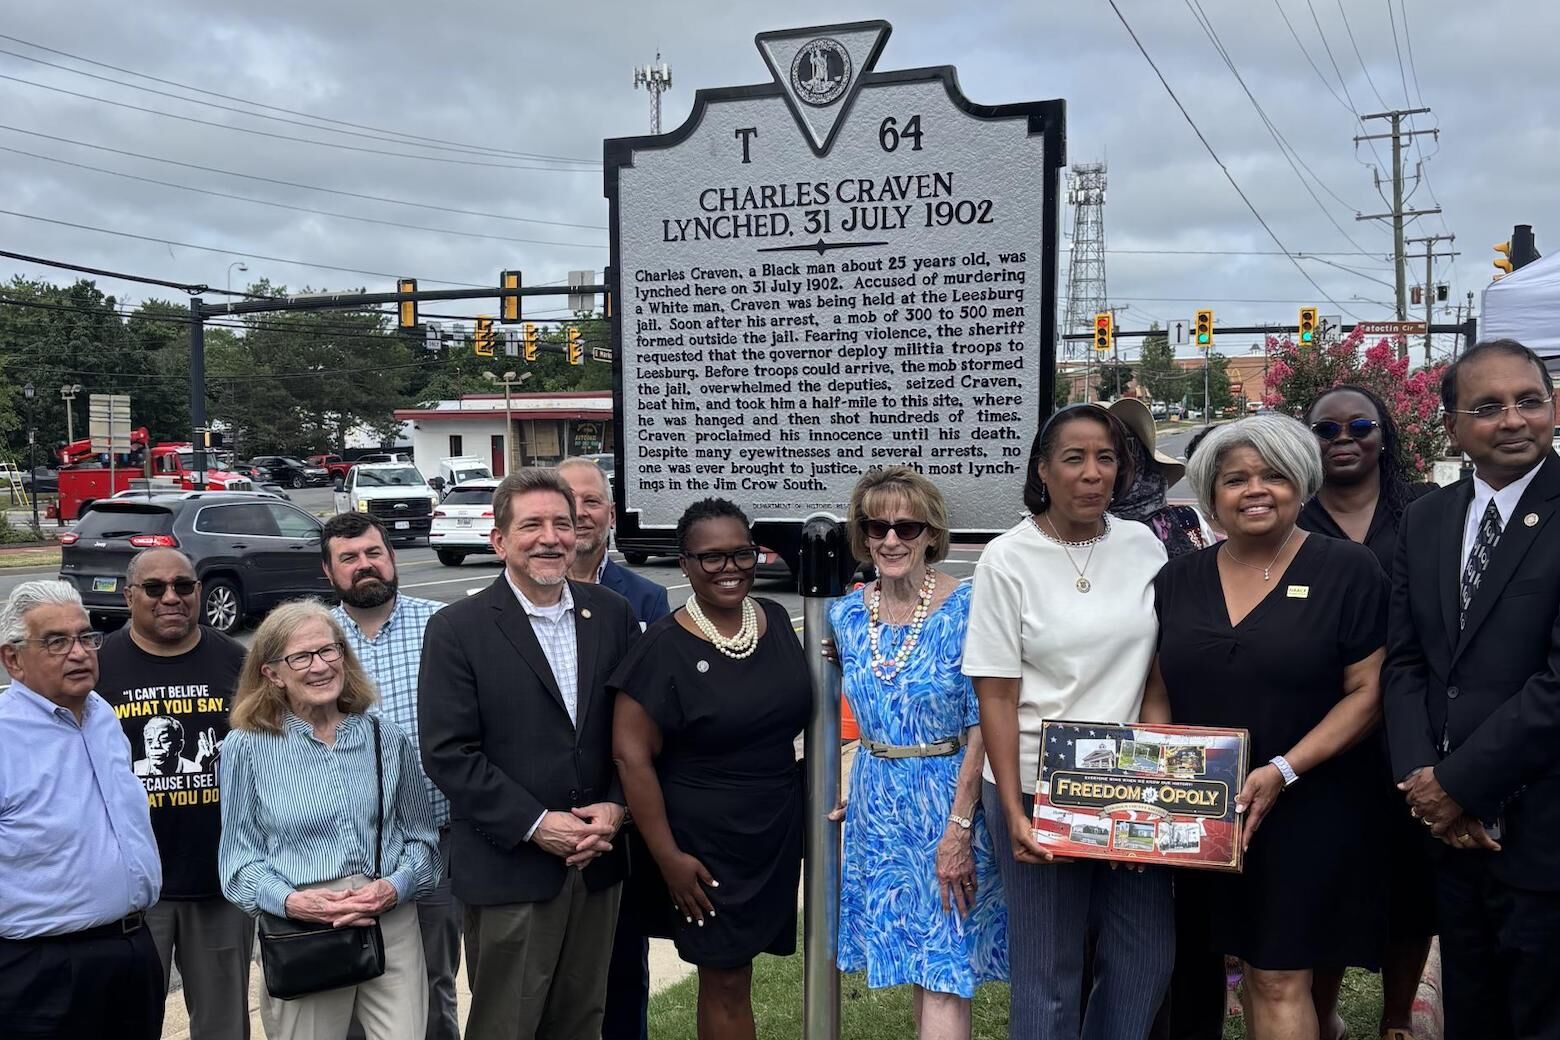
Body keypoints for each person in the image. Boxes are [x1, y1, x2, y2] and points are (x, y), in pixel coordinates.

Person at [1154, 414, 1388, 1040]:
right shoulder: (1177, 578)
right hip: (1196, 806)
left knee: (1278, 976)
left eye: (1274, 476)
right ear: (1211, 494)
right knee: (1198, 972)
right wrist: (1159, 770)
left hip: (1304, 804)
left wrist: (1284, 769)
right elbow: (1156, 686)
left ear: (1302, 485)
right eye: (1235, 479)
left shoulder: (1350, 570)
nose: (1255, 490)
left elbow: (1368, 693)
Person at [963, 403, 1173, 1039]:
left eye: (1105, 458)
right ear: (1044, 471)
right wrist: (1016, 813)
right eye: (1074, 459)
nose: (1092, 473)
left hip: (1130, 784)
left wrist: (1159, 787)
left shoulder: (1143, 546)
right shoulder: (1007, 559)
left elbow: (1154, 674)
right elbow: (996, 695)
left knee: (1144, 953)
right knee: (1047, 967)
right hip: (1036, 783)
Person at [418, 468, 640, 1040]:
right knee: (506, 1026)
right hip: (509, 871)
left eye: (562, 524)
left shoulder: (611, 614)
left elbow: (636, 731)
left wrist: (617, 808)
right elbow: (449, 753)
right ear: (499, 541)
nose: (550, 538)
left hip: (596, 864)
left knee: (582, 1023)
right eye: (532, 525)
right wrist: (537, 825)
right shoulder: (456, 629)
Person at [1384, 339, 1560, 1039]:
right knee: (1470, 1014)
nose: (1513, 420)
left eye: (1529, 401)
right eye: (1487, 407)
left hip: (1542, 833)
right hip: (1450, 839)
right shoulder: (1426, 519)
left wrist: (1460, 784)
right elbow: (1404, 664)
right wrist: (1427, 790)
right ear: (1453, 426)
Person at [611, 498, 809, 1040]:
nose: (731, 568)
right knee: (724, 975)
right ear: (685, 564)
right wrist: (669, 858)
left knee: (740, 970)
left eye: (742, 553)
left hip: (773, 828)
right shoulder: (663, 646)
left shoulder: (774, 620)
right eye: (711, 558)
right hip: (702, 845)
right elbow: (631, 756)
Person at [829, 468, 1006, 1039]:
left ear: (931, 533)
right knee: (917, 964)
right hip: (878, 803)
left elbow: (984, 719)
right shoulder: (849, 615)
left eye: (907, 526)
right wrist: (848, 794)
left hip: (946, 799)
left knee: (946, 969)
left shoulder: (968, 606)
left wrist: (960, 824)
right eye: (876, 526)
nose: (891, 540)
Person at [219, 601, 441, 1040]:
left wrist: (394, 887)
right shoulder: (246, 748)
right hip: (303, 930)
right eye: (300, 657)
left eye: (328, 650)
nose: (319, 666)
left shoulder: (383, 737)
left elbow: (423, 842)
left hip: (388, 919)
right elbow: (238, 863)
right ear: (271, 673)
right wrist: (292, 902)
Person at [1300, 385, 1438, 1040]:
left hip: (1412, 728)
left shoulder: (1427, 513)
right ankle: (1323, 1014)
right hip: (1319, 730)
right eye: (1327, 430)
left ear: (1384, 433)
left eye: (1359, 425)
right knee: (1327, 883)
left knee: (1411, 888)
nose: (1344, 438)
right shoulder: (1291, 520)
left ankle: (1395, 1021)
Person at [97, 548, 253, 1040]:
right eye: (155, 588)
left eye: (183, 586)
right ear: (129, 596)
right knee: (129, 1021)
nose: (171, 597)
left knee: (224, 1024)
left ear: (199, 593)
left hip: (220, 880)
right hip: (134, 890)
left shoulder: (236, 661)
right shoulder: (99, 667)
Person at [0, 580, 165, 1039]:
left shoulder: (101, 716)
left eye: (85, 637)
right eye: (56, 642)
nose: (79, 652)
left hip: (131, 952)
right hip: (41, 971)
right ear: (13, 659)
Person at [321, 512, 458, 1040]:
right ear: (330, 572)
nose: (365, 566)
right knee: (350, 979)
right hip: (344, 847)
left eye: (373, 553)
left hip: (437, 841)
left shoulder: (442, 626)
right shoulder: (316, 641)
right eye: (349, 558)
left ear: (393, 558)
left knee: (434, 979)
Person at [556, 456, 670, 1040]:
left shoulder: (646, 600)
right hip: (540, 818)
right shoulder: (508, 599)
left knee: (624, 970)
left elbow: (655, 709)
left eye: (592, 501)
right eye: (566, 500)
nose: (578, 513)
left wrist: (618, 802)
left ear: (610, 514)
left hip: (617, 812)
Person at [1110, 397, 1214, 556]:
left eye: (1117, 449)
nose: (1093, 471)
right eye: (1077, 457)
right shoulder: (1070, 534)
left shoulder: (1188, 521)